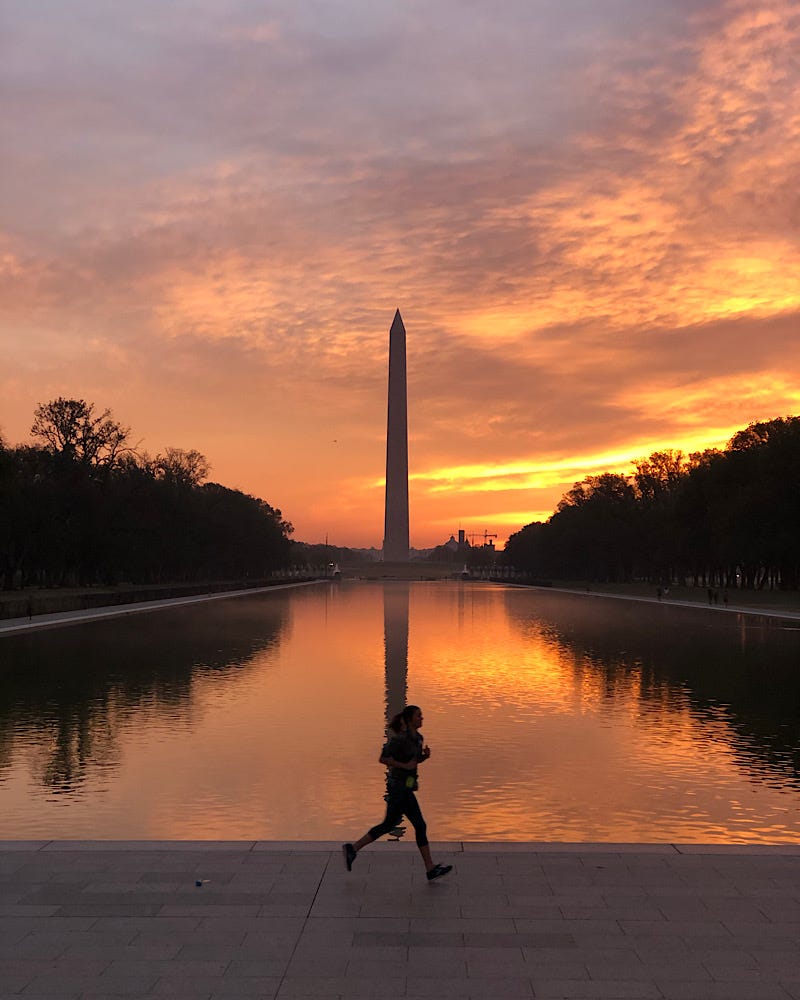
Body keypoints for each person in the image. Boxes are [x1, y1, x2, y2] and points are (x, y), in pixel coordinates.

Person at [342, 704, 452, 882]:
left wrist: (424, 757)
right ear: (409, 720)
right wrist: (404, 766)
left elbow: (413, 761)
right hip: (398, 788)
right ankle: (430, 869)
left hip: (407, 788)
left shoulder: (419, 739)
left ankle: (353, 849)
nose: (421, 718)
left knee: (388, 824)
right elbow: (383, 758)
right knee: (419, 825)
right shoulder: (399, 739)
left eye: (421, 715)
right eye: (418, 716)